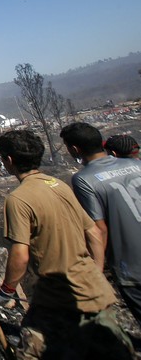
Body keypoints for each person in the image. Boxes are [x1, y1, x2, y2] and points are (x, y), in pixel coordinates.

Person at [0, 129, 140, 360]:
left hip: (58, 293)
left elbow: (20, 254)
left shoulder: (18, 199)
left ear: (9, 160)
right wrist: (95, 272)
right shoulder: (59, 184)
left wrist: (5, 291)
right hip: (93, 288)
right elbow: (93, 232)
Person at [60, 122, 141, 324]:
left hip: (131, 268)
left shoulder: (84, 179)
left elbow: (99, 228)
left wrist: (97, 271)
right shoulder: (136, 164)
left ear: (75, 149)